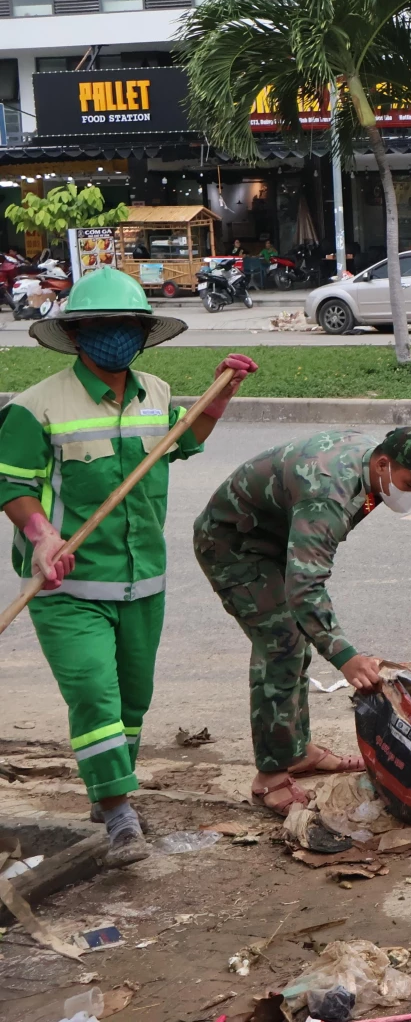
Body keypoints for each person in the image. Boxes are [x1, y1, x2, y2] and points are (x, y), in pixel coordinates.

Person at [0, 268, 255, 867]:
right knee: (94, 693)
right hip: (67, 585)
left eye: (127, 326)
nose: (115, 335)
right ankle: (118, 812)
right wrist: (42, 536)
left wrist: (221, 394)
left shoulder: (156, 394)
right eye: (102, 325)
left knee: (131, 703)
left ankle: (106, 787)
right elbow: (13, 485)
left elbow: (184, 440)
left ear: (142, 334)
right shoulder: (35, 407)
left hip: (143, 582)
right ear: (75, 333)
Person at [192, 427, 411, 815]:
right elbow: (305, 586)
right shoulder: (328, 491)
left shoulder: (370, 467)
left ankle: (296, 752)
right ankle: (270, 777)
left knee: (295, 640)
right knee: (281, 643)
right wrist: (345, 656)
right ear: (383, 463)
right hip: (234, 546)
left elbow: (308, 565)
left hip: (274, 539)